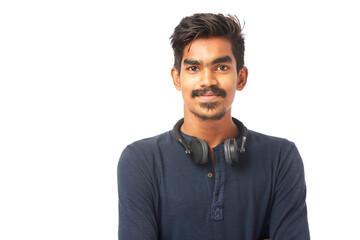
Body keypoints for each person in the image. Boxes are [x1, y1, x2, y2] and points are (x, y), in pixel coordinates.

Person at [117, 13, 310, 240]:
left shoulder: (280, 158)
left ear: (241, 77)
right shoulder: (141, 160)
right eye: (193, 68)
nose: (207, 80)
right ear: (177, 78)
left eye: (220, 67)